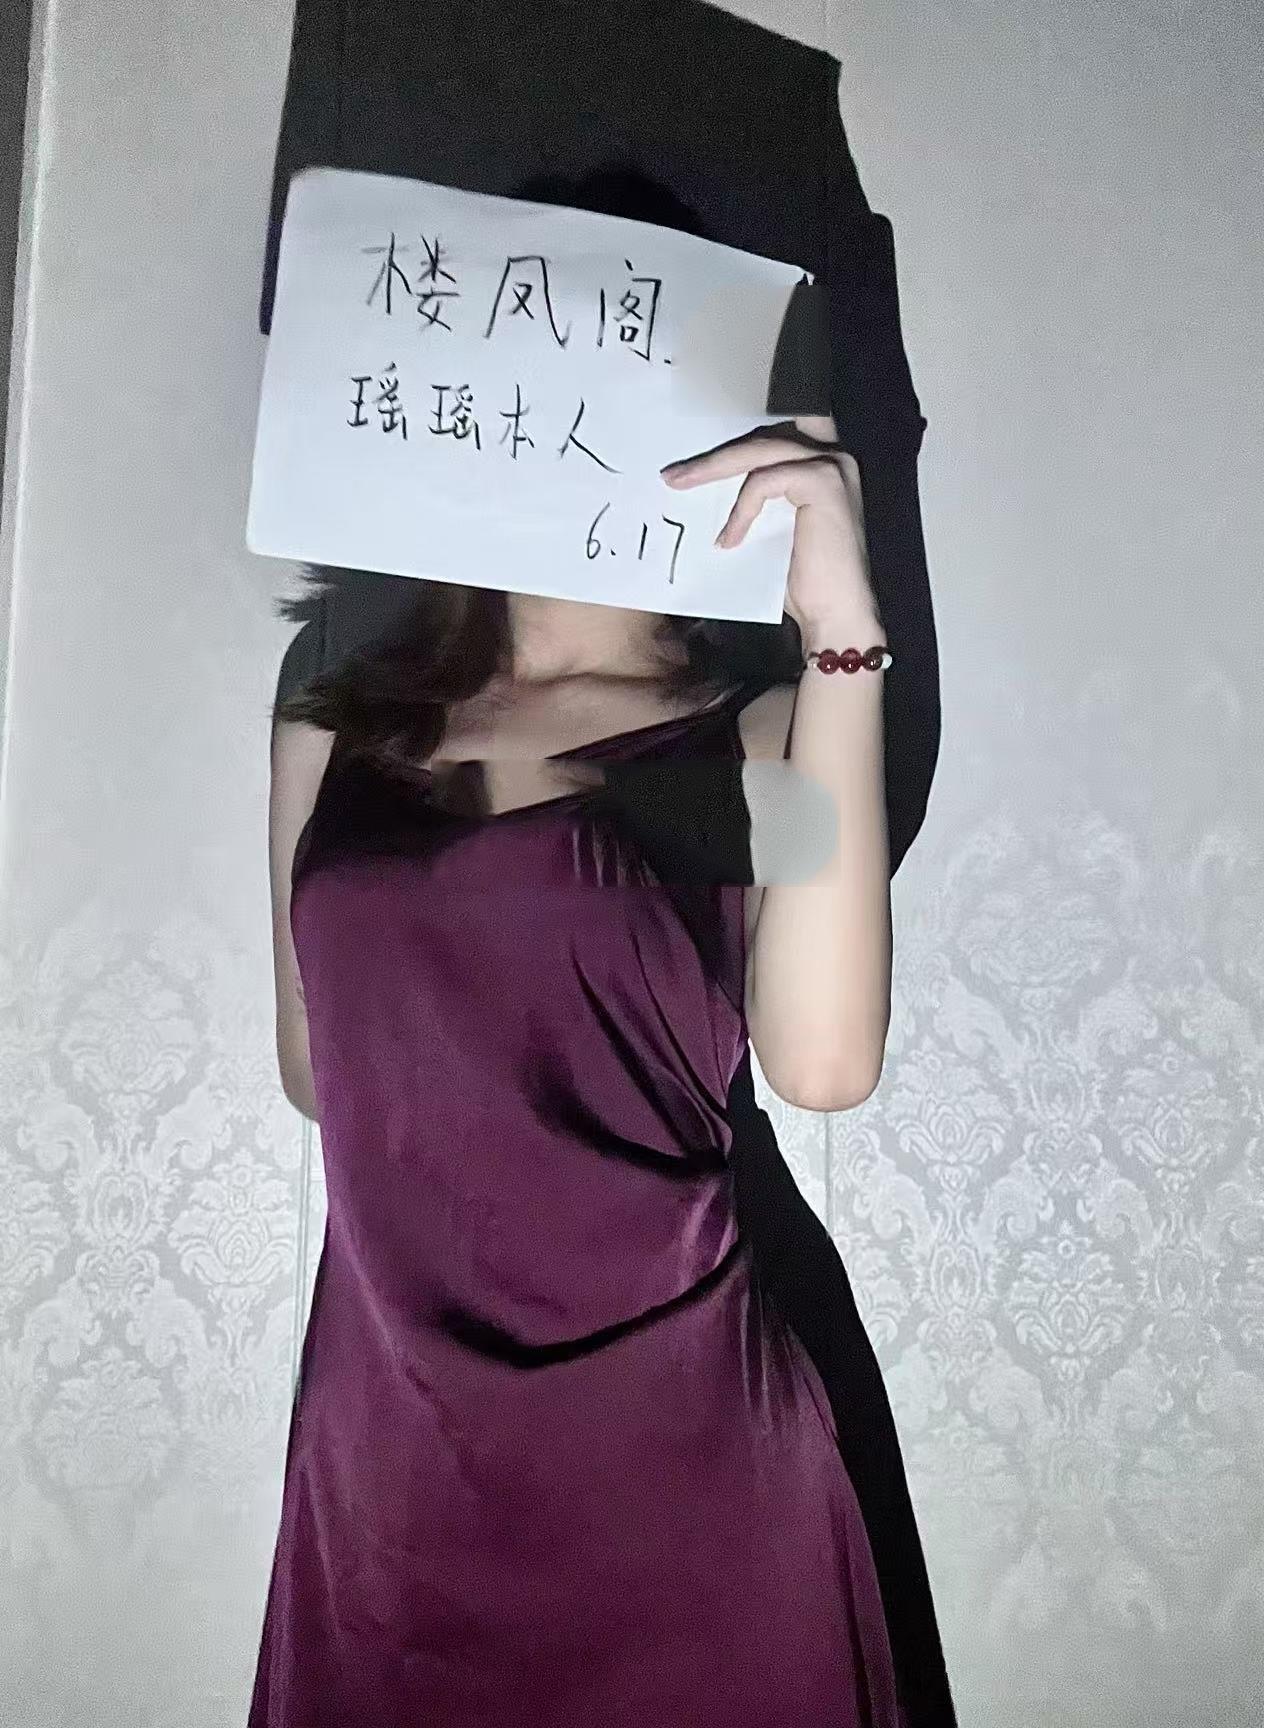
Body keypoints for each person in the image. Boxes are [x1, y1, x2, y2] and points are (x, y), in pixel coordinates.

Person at [253, 415, 909, 1727]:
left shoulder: (761, 740)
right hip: (390, 1464)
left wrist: (843, 639)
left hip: (684, 1469)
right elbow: (324, 1074)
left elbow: (824, 1064)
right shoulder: (330, 718)